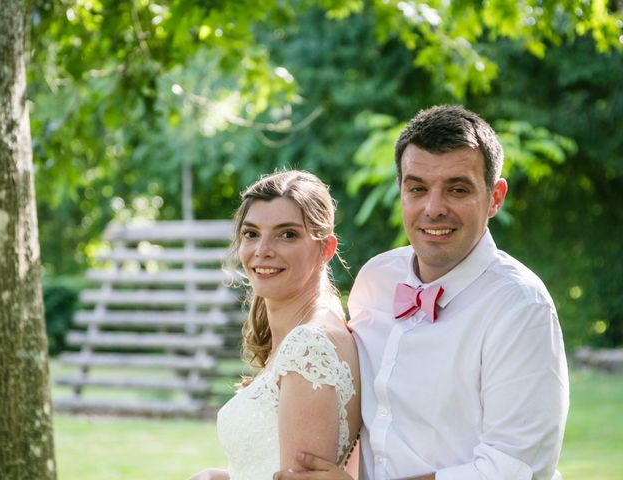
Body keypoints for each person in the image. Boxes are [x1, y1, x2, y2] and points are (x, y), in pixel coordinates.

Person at [275, 105, 570, 480]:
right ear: (401, 190)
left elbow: (513, 469)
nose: (434, 208)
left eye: (457, 189)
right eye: (418, 188)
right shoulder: (376, 279)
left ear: (495, 197)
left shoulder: (520, 308)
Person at [188, 170, 361, 480]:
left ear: (326, 248)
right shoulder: (307, 330)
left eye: (287, 234)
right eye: (251, 233)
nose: (262, 250)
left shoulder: (310, 345)